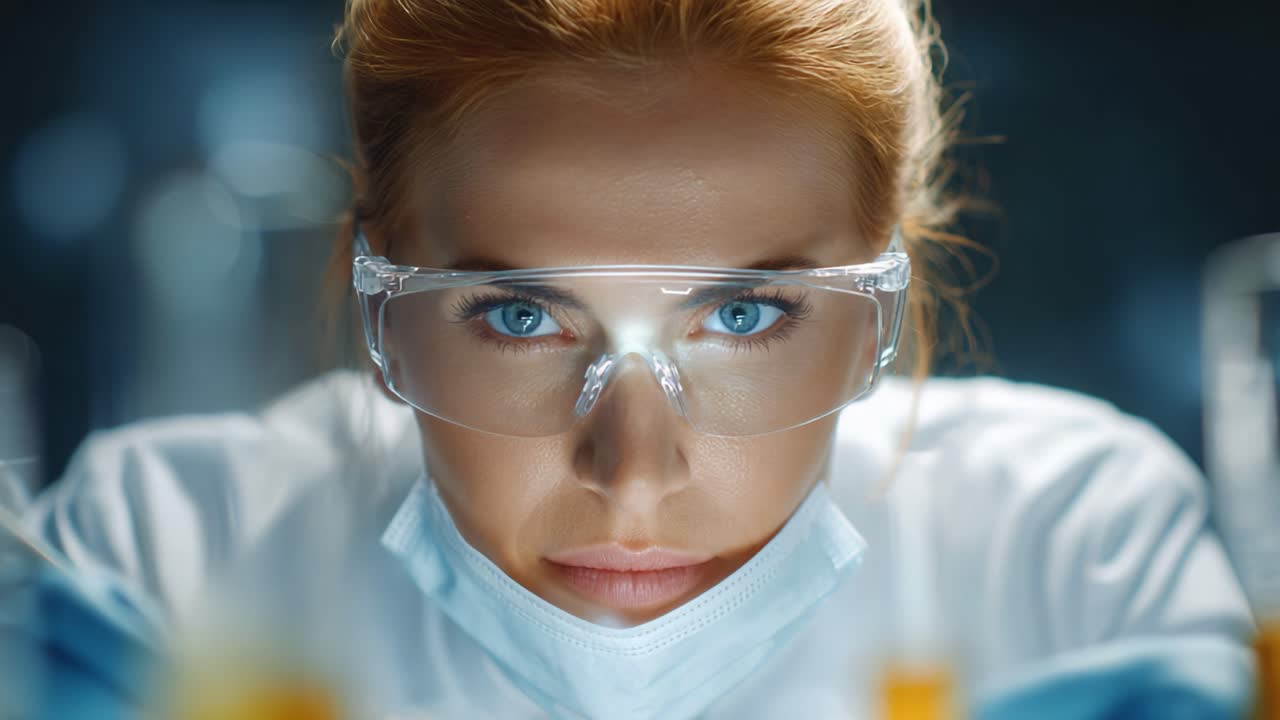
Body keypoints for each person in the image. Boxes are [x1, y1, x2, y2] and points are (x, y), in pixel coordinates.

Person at [15, 0, 1256, 717]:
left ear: (887, 292)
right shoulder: (173, 555)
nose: (634, 474)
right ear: (376, 280)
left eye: (742, 316)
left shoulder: (1060, 547)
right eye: (517, 316)